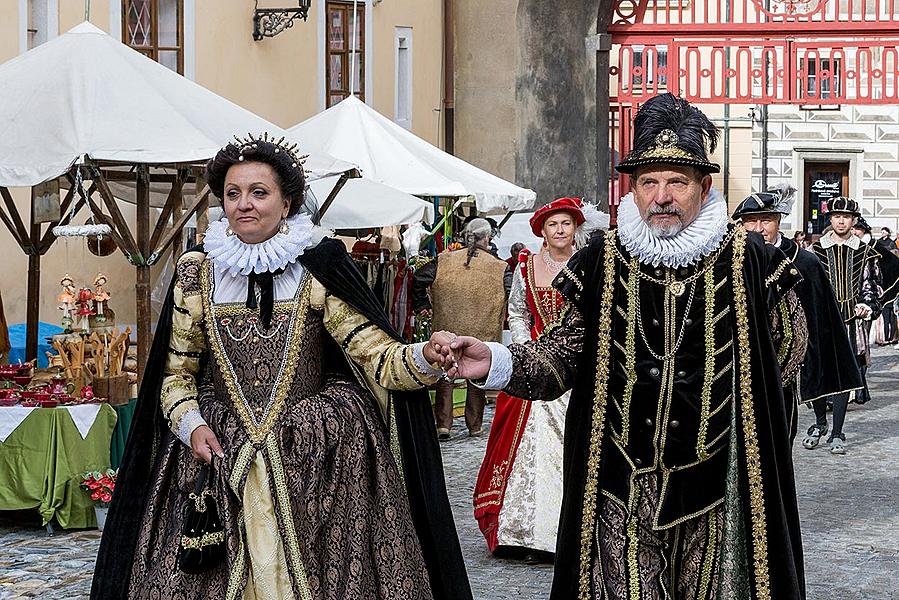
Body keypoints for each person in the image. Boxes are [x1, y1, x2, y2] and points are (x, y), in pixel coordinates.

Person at [432, 93, 808, 599]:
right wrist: (495, 361)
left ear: (704, 186)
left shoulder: (749, 262)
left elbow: (787, 351)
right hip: (619, 483)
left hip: (716, 485)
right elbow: (561, 353)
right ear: (631, 191)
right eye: (649, 182)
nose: (662, 196)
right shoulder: (603, 260)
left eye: (677, 182)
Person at [91, 136, 473, 600]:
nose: (243, 205)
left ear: (286, 201)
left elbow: (377, 356)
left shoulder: (318, 268)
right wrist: (191, 426)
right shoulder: (198, 274)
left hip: (318, 456)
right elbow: (175, 377)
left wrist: (426, 356)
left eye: (258, 192)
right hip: (220, 450)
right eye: (233, 194)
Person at [474, 197, 607, 564]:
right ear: (543, 231)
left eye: (566, 224)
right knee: (527, 447)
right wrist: (525, 350)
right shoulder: (526, 268)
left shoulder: (587, 266)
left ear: (575, 228)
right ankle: (524, 531)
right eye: (553, 225)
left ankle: (567, 532)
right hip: (535, 369)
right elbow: (516, 312)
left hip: (577, 372)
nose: (560, 230)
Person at [733, 187, 862, 443]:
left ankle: (829, 428)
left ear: (779, 221)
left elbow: (822, 322)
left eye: (766, 220)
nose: (758, 228)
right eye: (751, 221)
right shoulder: (731, 262)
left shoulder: (804, 262)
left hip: (785, 375)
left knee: (778, 443)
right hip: (740, 374)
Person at [412, 218, 509, 439]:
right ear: (487, 237)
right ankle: (474, 426)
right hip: (484, 330)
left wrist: (423, 304)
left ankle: (443, 424)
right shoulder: (500, 267)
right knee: (478, 374)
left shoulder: (443, 261)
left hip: (448, 327)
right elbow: (513, 292)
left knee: (446, 370)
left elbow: (418, 277)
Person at [808, 198, 884, 451]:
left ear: (854, 221)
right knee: (818, 372)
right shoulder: (815, 251)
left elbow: (871, 285)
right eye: (837, 216)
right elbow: (807, 287)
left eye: (846, 217)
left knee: (843, 376)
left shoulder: (865, 252)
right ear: (830, 219)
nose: (841, 221)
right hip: (819, 319)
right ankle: (820, 423)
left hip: (849, 322)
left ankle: (837, 432)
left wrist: (867, 304)